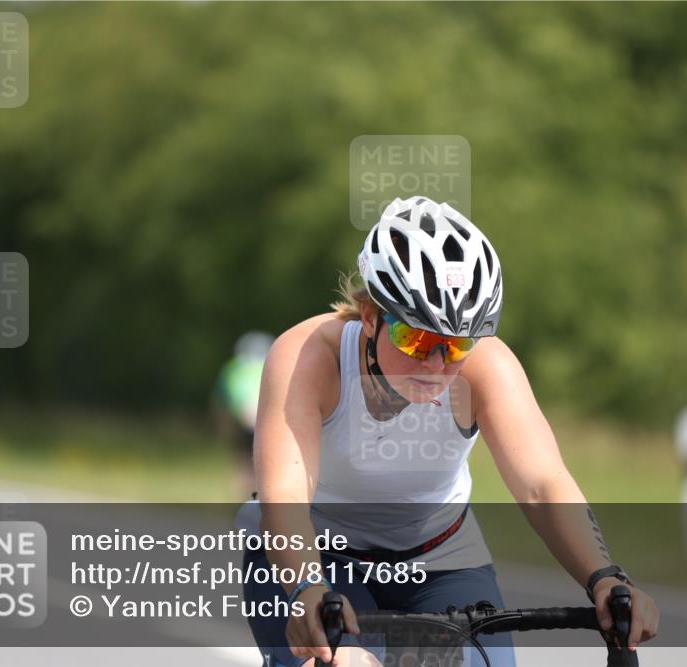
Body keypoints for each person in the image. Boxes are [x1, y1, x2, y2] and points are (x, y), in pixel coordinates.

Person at [237, 196, 659, 667]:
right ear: (371, 317)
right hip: (319, 553)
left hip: (439, 559)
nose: (436, 364)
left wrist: (605, 577)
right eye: (415, 339)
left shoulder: (488, 368)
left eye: (456, 345)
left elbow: (542, 484)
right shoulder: (309, 358)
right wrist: (308, 589)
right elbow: (286, 494)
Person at [214, 331, 274, 496]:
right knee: (267, 462)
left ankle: (244, 498)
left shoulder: (233, 368)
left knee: (243, 460)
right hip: (268, 419)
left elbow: (223, 401)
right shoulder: (275, 363)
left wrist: (223, 428)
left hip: (243, 419)